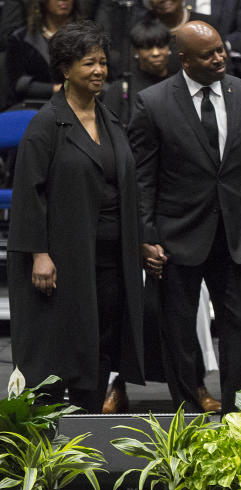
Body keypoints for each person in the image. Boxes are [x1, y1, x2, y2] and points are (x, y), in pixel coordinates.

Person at [128, 20, 241, 413]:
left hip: (237, 233)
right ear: (184, 60)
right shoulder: (153, 101)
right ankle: (186, 418)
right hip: (176, 237)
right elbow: (143, 180)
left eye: (221, 50)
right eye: (208, 54)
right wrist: (147, 235)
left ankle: (239, 418)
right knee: (177, 333)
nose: (219, 58)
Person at [8, 20, 144, 411]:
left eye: (102, 62)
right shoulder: (46, 124)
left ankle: (88, 421)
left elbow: (125, 184)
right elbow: (28, 194)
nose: (99, 70)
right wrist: (39, 253)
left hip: (110, 255)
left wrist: (141, 241)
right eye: (89, 63)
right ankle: (46, 441)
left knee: (100, 339)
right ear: (65, 69)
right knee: (55, 345)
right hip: (62, 256)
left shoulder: (110, 119)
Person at [5, 0, 78, 106]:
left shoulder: (88, 37)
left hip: (80, 106)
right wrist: (56, 89)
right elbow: (18, 84)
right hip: (34, 106)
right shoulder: (20, 39)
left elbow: (105, 81)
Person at [101, 20, 171, 124]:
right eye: (148, 48)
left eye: (161, 46)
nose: (156, 53)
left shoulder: (178, 85)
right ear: (136, 52)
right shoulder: (121, 88)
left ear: (169, 49)